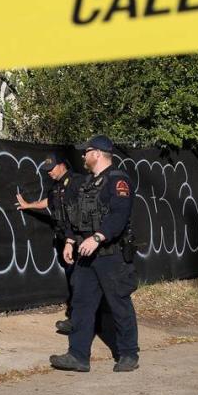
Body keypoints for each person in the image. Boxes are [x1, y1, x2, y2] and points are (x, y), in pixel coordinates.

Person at [50, 135, 139, 373]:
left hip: (110, 256)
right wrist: (70, 239)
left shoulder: (118, 182)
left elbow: (118, 217)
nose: (83, 156)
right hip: (86, 255)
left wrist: (98, 237)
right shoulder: (87, 183)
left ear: (97, 154)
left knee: (119, 304)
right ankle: (78, 356)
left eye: (86, 151)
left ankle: (129, 354)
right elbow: (74, 213)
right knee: (81, 304)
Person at [15, 148, 83, 334]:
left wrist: (72, 240)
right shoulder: (57, 185)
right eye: (47, 169)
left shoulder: (77, 183)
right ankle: (80, 318)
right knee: (75, 280)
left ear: (62, 165)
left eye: (52, 168)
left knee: (80, 281)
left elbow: (80, 212)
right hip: (66, 241)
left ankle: (78, 320)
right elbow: (49, 201)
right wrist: (29, 205)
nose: (50, 172)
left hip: (78, 241)